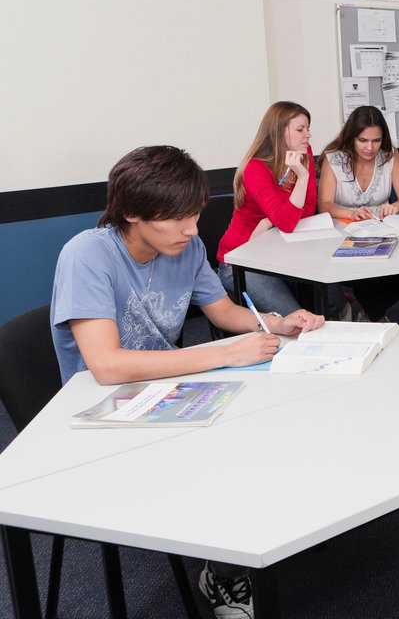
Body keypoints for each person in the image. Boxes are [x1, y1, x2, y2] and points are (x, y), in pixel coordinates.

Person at [50, 145, 323, 619]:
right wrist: (224, 354)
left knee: (274, 417)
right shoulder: (87, 255)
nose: (192, 231)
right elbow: (107, 366)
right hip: (106, 412)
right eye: (176, 220)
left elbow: (221, 312)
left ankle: (252, 543)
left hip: (168, 389)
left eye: (195, 216)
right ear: (131, 213)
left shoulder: (187, 246)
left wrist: (276, 323)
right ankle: (224, 573)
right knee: (232, 453)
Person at [216, 101, 317, 315]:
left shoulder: (304, 152)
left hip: (279, 253)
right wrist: (303, 177)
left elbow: (307, 210)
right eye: (300, 129)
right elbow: (288, 223)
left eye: (308, 128)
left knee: (329, 300)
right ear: (278, 132)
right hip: (242, 261)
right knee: (295, 318)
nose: (307, 135)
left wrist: (272, 219)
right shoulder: (255, 167)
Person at [318, 105, 399, 321]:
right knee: (367, 271)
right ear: (352, 137)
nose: (370, 148)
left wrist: (395, 206)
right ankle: (374, 317)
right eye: (363, 140)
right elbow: (324, 205)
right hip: (345, 232)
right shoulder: (334, 158)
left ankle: (367, 315)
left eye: (376, 141)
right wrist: (350, 213)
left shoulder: (390, 155)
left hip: (383, 230)